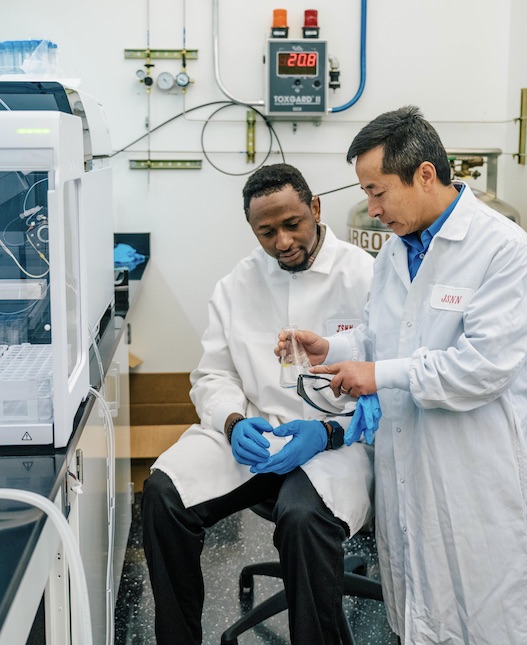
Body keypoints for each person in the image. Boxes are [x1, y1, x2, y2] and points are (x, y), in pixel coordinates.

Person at [280, 106, 527, 644]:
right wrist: (332, 345)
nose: (372, 209)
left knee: (484, 616)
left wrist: (377, 373)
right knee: (415, 611)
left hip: (473, 466)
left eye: (379, 192)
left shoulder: (503, 249)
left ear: (425, 174)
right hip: (407, 461)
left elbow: (482, 368)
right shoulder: (396, 252)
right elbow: (386, 339)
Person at [142, 163, 375, 645]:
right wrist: (231, 422)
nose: (283, 242)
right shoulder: (237, 285)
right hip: (257, 433)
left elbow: (389, 381)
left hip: (339, 442)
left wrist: (329, 432)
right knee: (164, 494)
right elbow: (213, 374)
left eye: (292, 225)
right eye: (267, 232)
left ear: (315, 208)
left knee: (302, 516)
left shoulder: (365, 277)